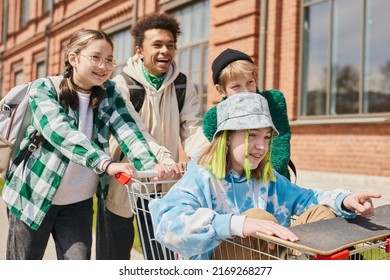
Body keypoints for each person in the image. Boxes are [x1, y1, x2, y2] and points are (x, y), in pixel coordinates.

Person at [1, 29, 171, 260]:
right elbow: (60, 132)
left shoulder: (110, 93)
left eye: (109, 60)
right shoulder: (44, 89)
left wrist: (153, 167)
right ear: (73, 58)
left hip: (77, 204)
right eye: (96, 58)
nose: (103, 66)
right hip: (32, 195)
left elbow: (129, 131)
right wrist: (106, 163)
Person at [149, 93, 381, 260]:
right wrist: (238, 224)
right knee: (257, 216)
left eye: (267, 137)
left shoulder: (267, 178)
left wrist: (345, 201)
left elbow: (308, 198)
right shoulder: (201, 175)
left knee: (323, 212)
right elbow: (167, 224)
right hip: (220, 264)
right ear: (227, 137)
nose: (261, 146)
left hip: (269, 259)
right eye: (253, 135)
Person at [96, 12, 210, 260]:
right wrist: (165, 162)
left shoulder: (182, 85)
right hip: (123, 184)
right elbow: (137, 133)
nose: (165, 51)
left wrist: (207, 160)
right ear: (139, 50)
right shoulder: (121, 85)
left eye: (170, 45)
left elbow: (193, 127)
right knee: (113, 258)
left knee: (162, 257)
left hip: (162, 184)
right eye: (157, 45)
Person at [202, 48, 294, 180]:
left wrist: (269, 180)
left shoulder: (273, 100)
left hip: (274, 180)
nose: (246, 91)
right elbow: (223, 155)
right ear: (221, 90)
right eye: (236, 86)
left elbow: (280, 142)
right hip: (236, 185)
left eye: (250, 82)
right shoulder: (213, 118)